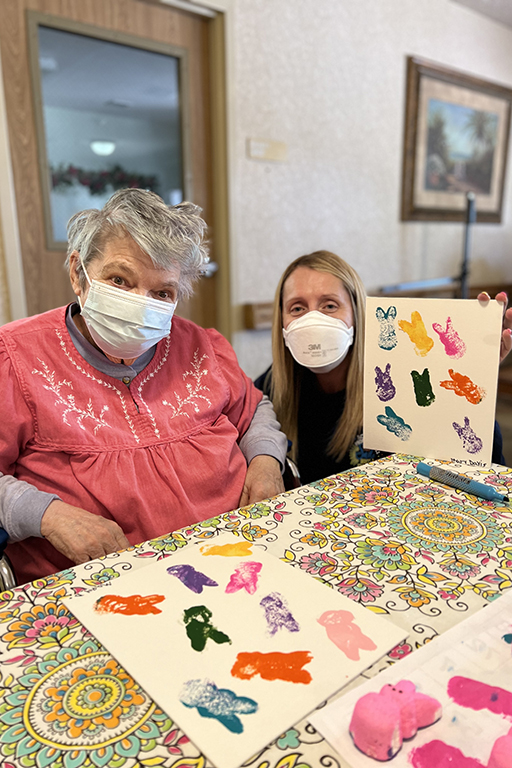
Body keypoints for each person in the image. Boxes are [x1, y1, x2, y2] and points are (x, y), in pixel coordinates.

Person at [0, 189, 286, 584]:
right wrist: (48, 514)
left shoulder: (200, 345)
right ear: (77, 273)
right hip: (109, 582)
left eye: (162, 292)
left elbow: (254, 411)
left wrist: (266, 463)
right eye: (119, 279)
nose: (139, 304)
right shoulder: (14, 359)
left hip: (240, 558)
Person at [255, 250, 512, 485]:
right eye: (297, 308)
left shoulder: (401, 379)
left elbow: (481, 470)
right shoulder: (272, 387)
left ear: (356, 313)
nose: (313, 320)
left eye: (329, 305)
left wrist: (477, 381)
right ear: (282, 322)